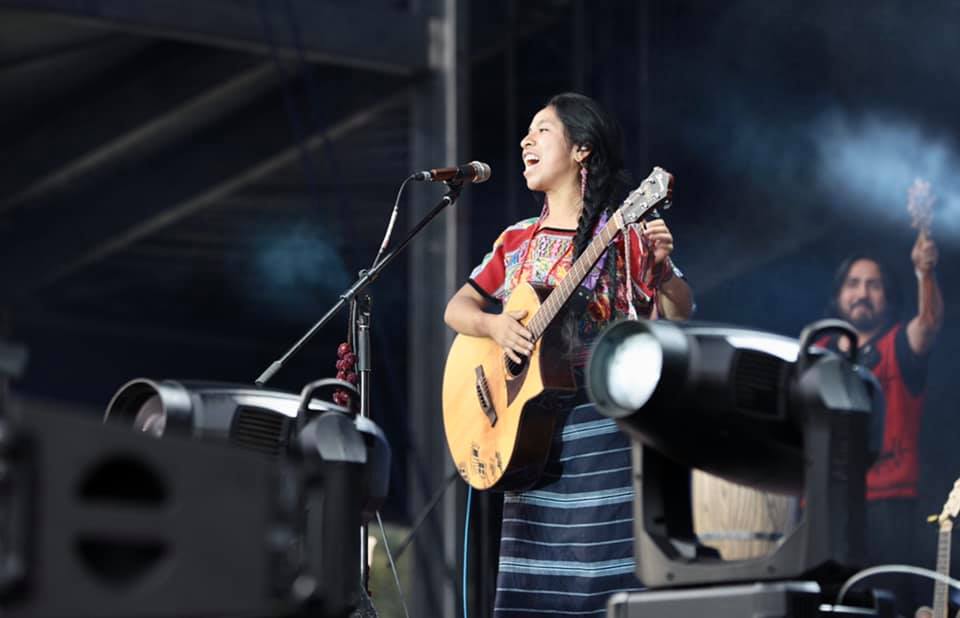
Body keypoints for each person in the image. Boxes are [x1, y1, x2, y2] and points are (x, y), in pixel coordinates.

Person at [444, 92, 694, 616]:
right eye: (527, 132)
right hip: (525, 436)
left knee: (605, 588)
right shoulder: (515, 240)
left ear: (581, 150)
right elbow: (458, 308)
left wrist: (664, 272)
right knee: (536, 597)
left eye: (542, 131)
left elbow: (678, 314)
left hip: (601, 434)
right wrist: (494, 325)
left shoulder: (621, 232)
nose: (524, 141)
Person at [819, 232, 943, 616]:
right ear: (839, 295)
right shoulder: (816, 351)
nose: (862, 293)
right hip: (826, 507)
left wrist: (924, 272)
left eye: (873, 285)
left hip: (889, 505)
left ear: (887, 297)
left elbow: (929, 321)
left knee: (887, 606)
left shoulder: (897, 345)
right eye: (853, 284)